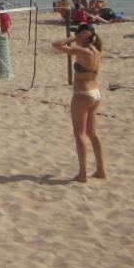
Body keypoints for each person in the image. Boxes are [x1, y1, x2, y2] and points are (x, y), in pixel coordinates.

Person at [51, 22, 106, 183]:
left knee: (79, 133)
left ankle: (83, 174)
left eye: (79, 34)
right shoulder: (97, 50)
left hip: (83, 94)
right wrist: (81, 36)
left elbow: (56, 45)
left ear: (85, 36)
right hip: (95, 93)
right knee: (92, 133)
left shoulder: (82, 50)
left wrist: (75, 37)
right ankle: (100, 170)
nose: (76, 37)